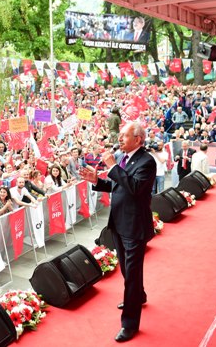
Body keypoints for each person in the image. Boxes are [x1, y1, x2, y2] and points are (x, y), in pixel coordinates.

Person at [80, 121, 156, 343]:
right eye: (120, 135)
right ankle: (138, 295)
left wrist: (113, 167)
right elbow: (119, 186)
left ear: (138, 139)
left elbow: (135, 188)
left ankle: (129, 324)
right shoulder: (124, 157)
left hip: (134, 227)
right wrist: (98, 181)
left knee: (131, 275)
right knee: (126, 269)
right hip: (119, 223)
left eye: (124, 135)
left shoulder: (147, 161)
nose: (119, 138)